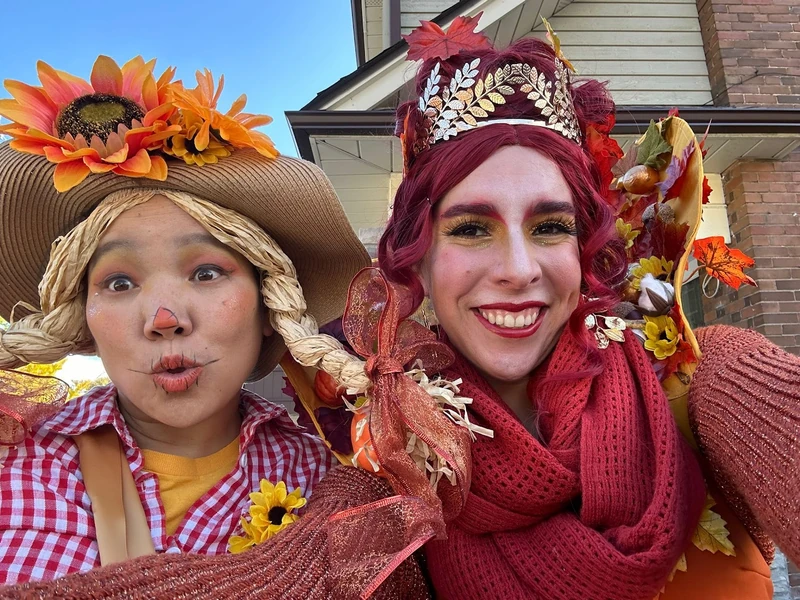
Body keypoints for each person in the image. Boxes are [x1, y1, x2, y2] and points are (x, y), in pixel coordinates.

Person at [4, 21, 799, 600]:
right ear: (415, 255)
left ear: (585, 247)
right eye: (471, 227)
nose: (518, 269)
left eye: (550, 225)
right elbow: (278, 578)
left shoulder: (708, 383)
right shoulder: (381, 458)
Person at [0, 55, 373, 584]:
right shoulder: (18, 465)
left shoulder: (332, 474)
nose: (164, 319)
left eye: (206, 273)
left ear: (270, 303)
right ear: (79, 314)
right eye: (120, 283)